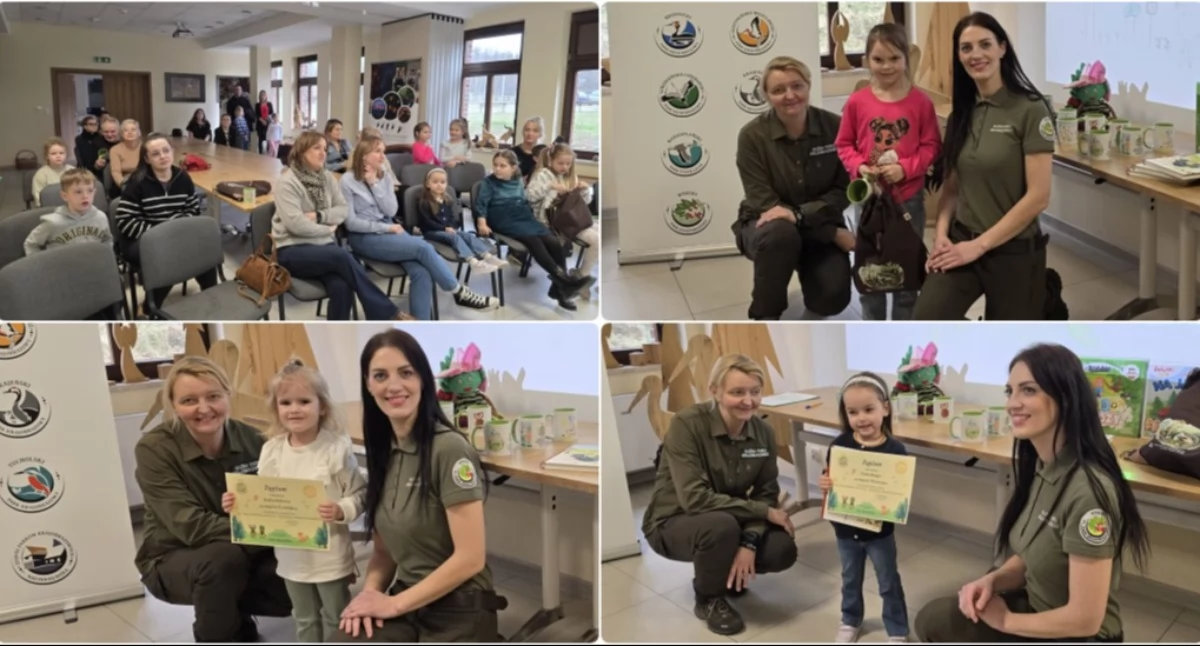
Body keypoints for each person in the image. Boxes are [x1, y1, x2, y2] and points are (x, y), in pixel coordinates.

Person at [913, 343, 1150, 642]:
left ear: (1066, 398)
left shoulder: (1088, 491)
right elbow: (1034, 555)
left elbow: (1085, 620)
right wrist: (992, 580)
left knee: (939, 623)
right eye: (1009, 391)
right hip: (1039, 609)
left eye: (1028, 390)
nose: (1012, 403)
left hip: (1081, 636)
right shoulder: (1043, 467)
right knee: (935, 618)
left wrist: (1006, 621)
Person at [332, 329, 503, 642]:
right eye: (380, 375)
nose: (394, 385)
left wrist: (394, 604)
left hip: (459, 607)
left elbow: (471, 558)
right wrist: (368, 598)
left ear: (423, 380)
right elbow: (384, 554)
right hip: (408, 602)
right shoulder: (384, 454)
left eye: (406, 373)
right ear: (368, 386)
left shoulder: (449, 449)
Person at [133, 357, 292, 643]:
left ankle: (234, 613)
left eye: (213, 396)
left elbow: (280, 500)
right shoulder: (154, 449)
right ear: (173, 404)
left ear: (228, 396)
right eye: (189, 400)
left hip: (245, 547)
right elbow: (190, 526)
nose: (204, 409)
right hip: (173, 556)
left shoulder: (255, 440)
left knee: (299, 572)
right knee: (222, 560)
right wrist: (266, 533)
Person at [641, 354, 798, 636]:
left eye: (755, 392)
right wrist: (763, 513)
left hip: (726, 517)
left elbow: (766, 494)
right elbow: (694, 499)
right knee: (721, 527)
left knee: (781, 549)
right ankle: (708, 598)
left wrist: (749, 543)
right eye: (737, 392)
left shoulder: (763, 432)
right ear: (715, 391)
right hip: (674, 520)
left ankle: (727, 575)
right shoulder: (687, 425)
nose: (748, 401)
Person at [914, 12, 1054, 321]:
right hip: (963, 240)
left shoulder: (1031, 109)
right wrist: (941, 236)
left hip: (1014, 250)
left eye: (985, 44)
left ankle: (1044, 292)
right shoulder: (959, 116)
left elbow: (1039, 197)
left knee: (1009, 336)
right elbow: (951, 187)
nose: (975, 54)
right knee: (927, 318)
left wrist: (978, 246)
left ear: (1002, 48)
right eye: (966, 48)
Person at [222, 360, 366, 643]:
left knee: (335, 616)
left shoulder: (335, 449)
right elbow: (262, 498)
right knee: (303, 617)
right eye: (285, 402)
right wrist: (237, 503)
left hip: (330, 557)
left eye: (304, 401)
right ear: (276, 408)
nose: (294, 409)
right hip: (290, 556)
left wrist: (340, 510)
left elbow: (360, 495)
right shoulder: (272, 451)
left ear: (321, 406)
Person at [734, 56, 854, 321]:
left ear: (809, 86)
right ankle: (765, 316)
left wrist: (801, 216)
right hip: (770, 227)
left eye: (797, 86)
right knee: (780, 234)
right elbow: (763, 201)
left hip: (819, 220)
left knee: (832, 298)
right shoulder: (752, 137)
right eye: (778, 90)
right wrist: (830, 232)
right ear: (766, 95)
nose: (790, 95)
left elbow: (843, 190)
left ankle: (812, 282)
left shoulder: (836, 127)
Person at [835, 23, 942, 321]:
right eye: (878, 59)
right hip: (869, 202)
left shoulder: (921, 103)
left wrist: (904, 168)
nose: (886, 66)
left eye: (894, 58)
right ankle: (873, 324)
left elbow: (932, 146)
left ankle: (904, 326)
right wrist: (860, 166)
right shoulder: (858, 102)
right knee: (872, 274)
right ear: (866, 60)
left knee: (907, 275)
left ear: (906, 59)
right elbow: (843, 143)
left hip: (908, 202)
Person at [341, 135, 499, 318]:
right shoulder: (348, 180)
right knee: (423, 247)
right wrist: (387, 228)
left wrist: (374, 184)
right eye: (378, 151)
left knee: (422, 272)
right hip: (364, 238)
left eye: (383, 151)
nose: (383, 156)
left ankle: (419, 325)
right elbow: (351, 223)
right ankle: (459, 292)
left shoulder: (383, 177)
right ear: (364, 155)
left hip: (390, 230)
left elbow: (391, 211)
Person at [274, 131, 412, 321]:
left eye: (324, 148)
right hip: (291, 248)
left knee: (343, 287)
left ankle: (338, 333)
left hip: (323, 247)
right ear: (301, 151)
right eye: (316, 148)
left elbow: (342, 210)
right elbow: (296, 225)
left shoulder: (327, 177)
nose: (323, 153)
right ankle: (386, 311)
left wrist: (320, 216)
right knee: (341, 255)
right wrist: (327, 228)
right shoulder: (288, 182)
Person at [818, 372, 910, 643]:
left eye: (869, 409)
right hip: (845, 530)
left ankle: (897, 629)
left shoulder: (896, 450)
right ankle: (850, 620)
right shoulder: (840, 445)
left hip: (879, 533)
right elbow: (830, 478)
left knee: (888, 581)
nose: (861, 418)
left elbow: (898, 492)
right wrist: (825, 483)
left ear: (885, 408)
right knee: (849, 579)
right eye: (853, 412)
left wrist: (899, 499)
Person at [474, 150, 594, 311]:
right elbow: (481, 205)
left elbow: (525, 201)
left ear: (513, 167)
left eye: (502, 166)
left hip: (522, 215)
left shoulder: (517, 181)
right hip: (501, 216)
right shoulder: (488, 183)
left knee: (553, 240)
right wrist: (482, 223)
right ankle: (564, 282)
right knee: (533, 240)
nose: (497, 169)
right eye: (495, 165)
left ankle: (559, 289)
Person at [115, 133, 217, 310]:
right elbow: (125, 220)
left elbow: (193, 210)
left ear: (172, 152)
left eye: (165, 150)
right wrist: (160, 234)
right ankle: (149, 307)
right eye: (155, 154)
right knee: (167, 254)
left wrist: (176, 231)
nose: (162, 156)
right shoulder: (137, 182)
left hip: (175, 235)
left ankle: (213, 298)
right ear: (147, 159)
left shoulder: (183, 178)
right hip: (142, 238)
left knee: (203, 250)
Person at [526, 143, 600, 300]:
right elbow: (530, 197)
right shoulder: (543, 175)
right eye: (560, 163)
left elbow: (584, 203)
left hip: (573, 218)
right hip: (553, 222)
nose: (564, 167)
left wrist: (585, 190)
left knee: (601, 231)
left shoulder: (571, 176)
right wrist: (549, 186)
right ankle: (580, 277)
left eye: (568, 163)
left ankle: (579, 276)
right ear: (551, 160)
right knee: (595, 240)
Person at [416, 167, 504, 274]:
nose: (439, 184)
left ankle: (486, 255)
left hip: (447, 230)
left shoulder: (447, 200)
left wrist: (452, 227)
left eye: (442, 182)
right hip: (431, 232)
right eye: (435, 182)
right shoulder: (424, 202)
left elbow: (452, 218)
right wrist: (444, 228)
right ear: (427, 184)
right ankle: (473, 262)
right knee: (455, 237)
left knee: (467, 235)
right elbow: (426, 222)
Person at [24, 167, 112, 255]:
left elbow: (107, 240)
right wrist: (41, 265)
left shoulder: (101, 217)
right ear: (65, 196)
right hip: (63, 266)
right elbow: (31, 243)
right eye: (78, 192)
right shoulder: (54, 223)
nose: (85, 196)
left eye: (90, 191)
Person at [31, 137, 74, 206]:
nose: (58, 156)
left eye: (61, 153)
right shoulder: (41, 174)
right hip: (49, 208)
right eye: (53, 153)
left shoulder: (72, 171)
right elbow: (38, 198)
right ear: (47, 156)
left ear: (66, 155)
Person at [109, 118, 143, 197]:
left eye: (133, 130)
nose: (130, 132)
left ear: (138, 133)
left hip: (143, 181)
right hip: (124, 183)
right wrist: (124, 185)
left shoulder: (146, 147)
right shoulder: (115, 150)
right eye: (126, 130)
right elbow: (116, 172)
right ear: (121, 134)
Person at [511, 116, 546, 182]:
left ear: (540, 134)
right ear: (523, 132)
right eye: (527, 130)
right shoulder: (512, 153)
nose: (530, 133)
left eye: (535, 131)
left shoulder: (544, 153)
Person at [255, 90, 276, 154]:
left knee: (268, 139)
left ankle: (268, 153)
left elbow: (272, 113)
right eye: (261, 95)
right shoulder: (257, 105)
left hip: (268, 124)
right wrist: (262, 120)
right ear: (259, 96)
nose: (262, 96)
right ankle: (260, 153)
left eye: (264, 95)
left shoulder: (269, 104)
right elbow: (256, 114)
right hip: (260, 124)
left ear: (266, 96)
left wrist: (268, 119)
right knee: (260, 140)